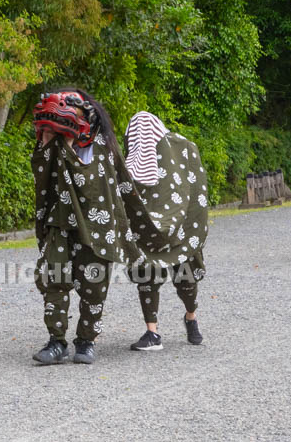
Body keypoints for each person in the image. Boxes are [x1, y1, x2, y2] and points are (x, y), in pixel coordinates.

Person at [30, 89, 136, 365]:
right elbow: (41, 176)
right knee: (54, 278)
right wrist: (47, 142)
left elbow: (117, 187)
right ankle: (56, 342)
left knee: (94, 284)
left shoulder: (104, 148)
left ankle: (86, 341)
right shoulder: (54, 144)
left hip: (97, 225)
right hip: (60, 221)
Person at [122, 111, 207, 351]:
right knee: (145, 273)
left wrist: (191, 224)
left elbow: (197, 186)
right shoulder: (130, 158)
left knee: (186, 277)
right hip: (147, 230)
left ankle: (191, 316)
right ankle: (152, 332)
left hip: (182, 228)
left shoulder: (184, 149)